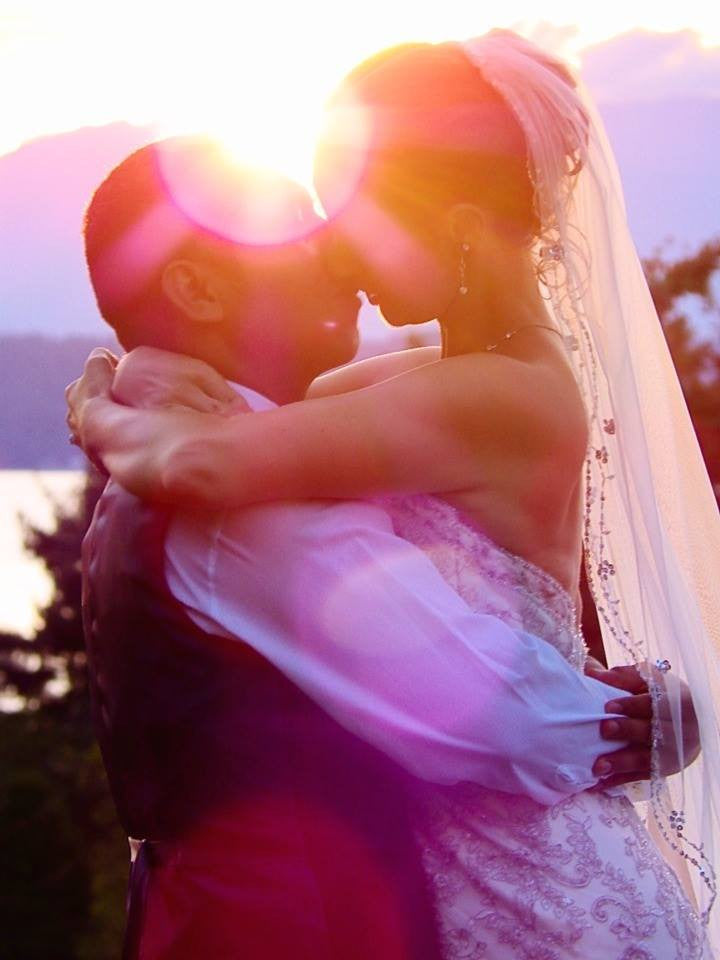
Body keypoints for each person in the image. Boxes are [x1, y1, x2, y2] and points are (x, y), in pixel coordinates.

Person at [67, 32, 720, 957]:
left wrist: (97, 405)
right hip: (462, 869)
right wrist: (127, 373)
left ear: (452, 225)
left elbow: (208, 464)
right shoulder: (415, 386)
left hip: (535, 884)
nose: (335, 249)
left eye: (346, 210)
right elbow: (263, 426)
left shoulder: (490, 397)